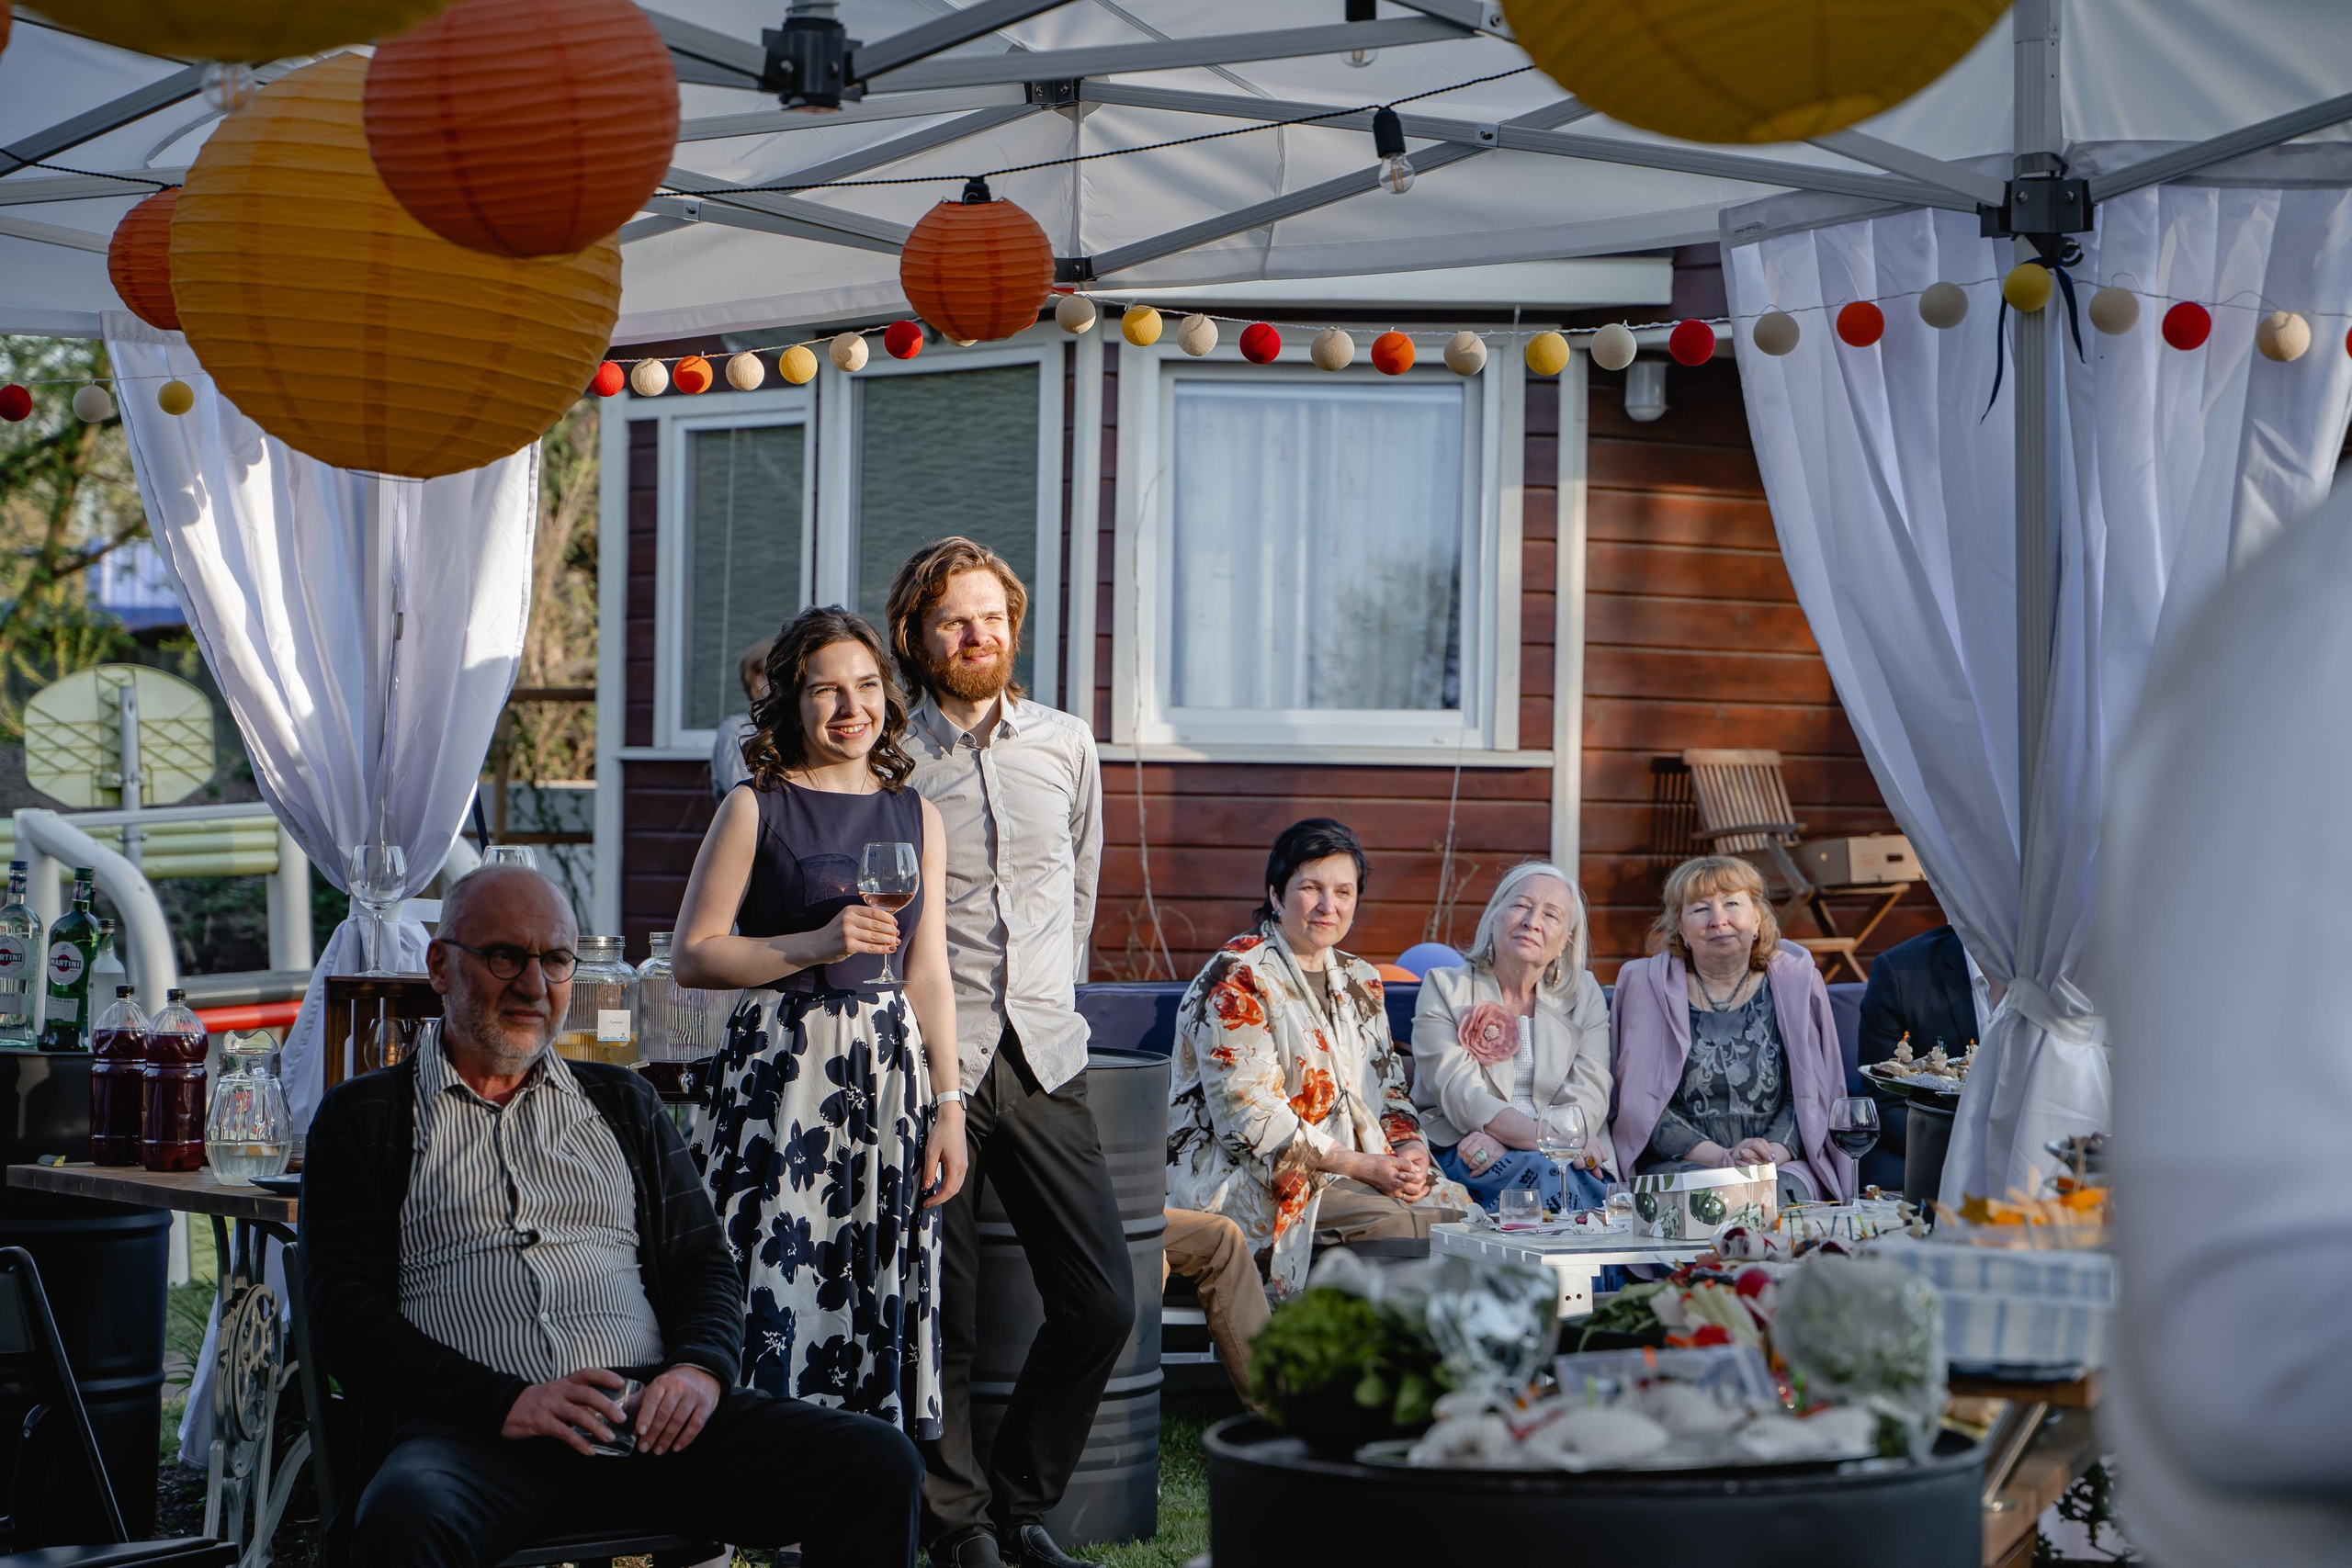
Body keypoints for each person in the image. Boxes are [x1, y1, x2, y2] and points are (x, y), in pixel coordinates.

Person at [300, 863, 922, 1568]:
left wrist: (697, 1371)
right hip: (472, 1434)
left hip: (648, 1420)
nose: (534, 985)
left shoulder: (622, 1101)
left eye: (556, 959)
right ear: (440, 966)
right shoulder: (366, 1115)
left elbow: (703, 1267)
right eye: (506, 955)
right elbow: (344, 1314)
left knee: (876, 1462)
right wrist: (505, 1401)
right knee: (403, 1517)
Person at [886, 537, 1130, 1568]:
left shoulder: (1067, 745)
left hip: (1041, 1057)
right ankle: (957, 1531)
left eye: (990, 616)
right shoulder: (890, 756)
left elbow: (1077, 892)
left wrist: (1046, 998)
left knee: (1102, 1300)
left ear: (1013, 627)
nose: (975, 635)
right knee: (945, 1315)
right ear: (918, 637)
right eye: (952, 620)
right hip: (925, 1063)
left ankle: (1020, 1505)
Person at [671, 606, 963, 1441]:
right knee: (770, 1265)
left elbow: (928, 971)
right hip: (782, 1069)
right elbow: (695, 955)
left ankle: (845, 1494)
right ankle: (740, 1482)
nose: (851, 708)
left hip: (890, 1073)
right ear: (790, 703)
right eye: (826, 690)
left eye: (867, 686)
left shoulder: (918, 816)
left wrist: (950, 1105)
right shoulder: (752, 808)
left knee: (868, 1270)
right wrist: (814, 942)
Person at [1168, 818, 1468, 1302]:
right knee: (1410, 1227)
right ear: (1277, 894)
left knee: (1465, 1218)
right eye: (1311, 887)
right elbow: (1250, 1120)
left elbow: (1390, 1091)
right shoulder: (1236, 978)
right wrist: (1361, 1166)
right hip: (1251, 1178)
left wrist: (1410, 1151)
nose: (1329, 906)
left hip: (1357, 1171)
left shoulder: (1361, 979)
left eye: (1344, 892)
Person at [1609, 854, 1853, 1204]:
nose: (1718, 920)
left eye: (1732, 903)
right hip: (1680, 1162)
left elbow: (1809, 1095)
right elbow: (1638, 1102)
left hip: (1779, 1162)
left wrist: (1765, 1157)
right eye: (1700, 909)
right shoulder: (1643, 984)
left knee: (1778, 1198)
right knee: (1709, 1200)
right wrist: (1721, 1158)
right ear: (1680, 926)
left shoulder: (1798, 983)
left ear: (1757, 919)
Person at [1411, 861, 1616, 1214]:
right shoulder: (1445, 987)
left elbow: (1590, 1094)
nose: (1532, 921)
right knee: (1550, 1174)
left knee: (1557, 1172)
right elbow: (1461, 1094)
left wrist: (1520, 1144)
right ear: (1494, 916)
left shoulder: (1585, 994)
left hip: (1559, 1151)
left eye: (1551, 915)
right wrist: (1551, 1142)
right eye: (1521, 905)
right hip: (1469, 1146)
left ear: (1566, 940)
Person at [1855, 922, 2002, 1174]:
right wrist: (1972, 1154)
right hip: (1937, 1148)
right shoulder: (1901, 971)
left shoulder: (2060, 968)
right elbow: (1886, 1102)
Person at [1162, 1207, 1270, 1405]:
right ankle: (1113, 1402)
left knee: (1224, 1237)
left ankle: (1277, 1408)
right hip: (1096, 1213)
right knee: (1147, 1254)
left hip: (1136, 1208)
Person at [709, 637, 773, 800]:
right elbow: (744, 795)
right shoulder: (736, 731)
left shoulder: (801, 728)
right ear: (754, 680)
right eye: (766, 675)